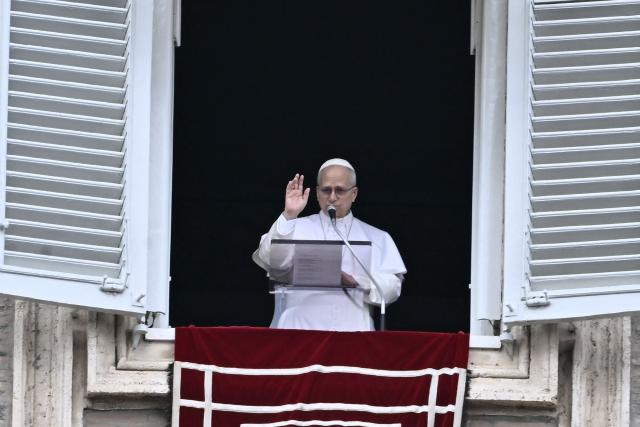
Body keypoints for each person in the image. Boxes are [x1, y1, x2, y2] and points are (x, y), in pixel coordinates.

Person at [252, 158, 407, 331]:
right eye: (326, 190)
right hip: (298, 328)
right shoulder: (294, 227)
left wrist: (356, 282)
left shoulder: (377, 237)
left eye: (339, 190)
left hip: (352, 331)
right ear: (317, 193)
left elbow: (392, 288)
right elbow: (269, 259)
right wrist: (289, 215)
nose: (332, 197)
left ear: (354, 193)